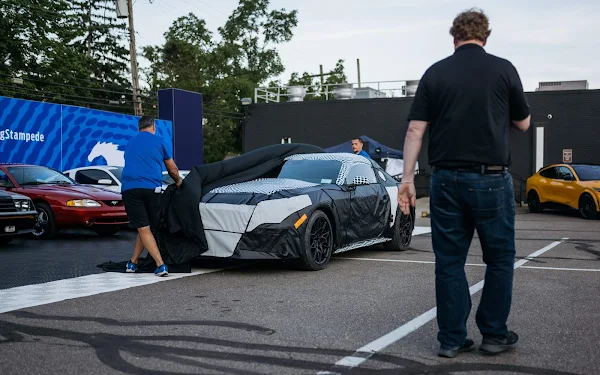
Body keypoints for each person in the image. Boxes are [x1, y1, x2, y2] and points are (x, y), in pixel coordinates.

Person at [397, 8, 531, 358]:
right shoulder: (503, 69)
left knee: (449, 260)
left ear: (454, 37)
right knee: (500, 259)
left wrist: (407, 180)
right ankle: (494, 335)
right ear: (486, 37)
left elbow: (415, 130)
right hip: (490, 179)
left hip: (445, 181)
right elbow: (524, 123)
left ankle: (452, 338)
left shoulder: (435, 73)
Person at [121, 116, 183, 277]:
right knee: (145, 228)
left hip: (130, 189)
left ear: (139, 127)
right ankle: (161, 264)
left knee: (144, 227)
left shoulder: (129, 143)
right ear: (153, 127)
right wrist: (178, 182)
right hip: (152, 189)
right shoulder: (159, 141)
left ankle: (133, 262)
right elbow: (173, 170)